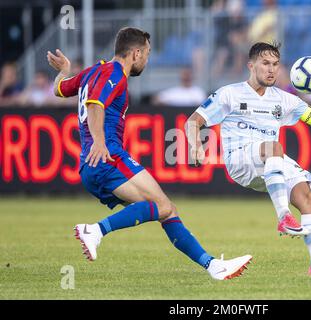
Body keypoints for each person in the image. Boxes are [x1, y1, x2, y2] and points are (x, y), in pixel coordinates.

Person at [47, 27, 251, 280]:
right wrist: (99, 141)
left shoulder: (93, 71)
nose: (147, 59)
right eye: (147, 53)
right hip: (107, 158)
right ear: (136, 53)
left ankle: (212, 266)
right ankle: (96, 230)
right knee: (162, 206)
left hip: (92, 164)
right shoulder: (114, 74)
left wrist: (65, 70)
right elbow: (94, 104)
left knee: (167, 209)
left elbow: (60, 89)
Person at [186, 42, 311, 276]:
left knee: (307, 195)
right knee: (273, 147)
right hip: (239, 160)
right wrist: (195, 146)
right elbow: (193, 121)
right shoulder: (229, 94)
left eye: (275, 64)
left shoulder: (285, 100)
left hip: (269, 161)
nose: (271, 69)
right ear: (251, 65)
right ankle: (284, 216)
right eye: (265, 63)